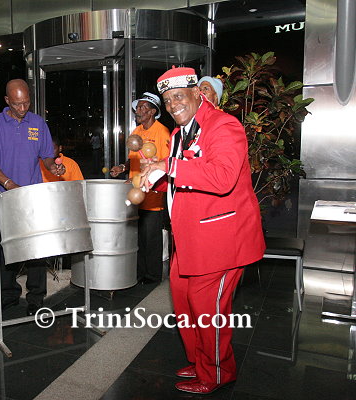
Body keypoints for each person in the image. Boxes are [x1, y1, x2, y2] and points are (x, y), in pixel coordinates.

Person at [140, 67, 265, 394]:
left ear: (197, 93)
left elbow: (222, 177)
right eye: (168, 100)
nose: (172, 105)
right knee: (184, 300)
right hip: (189, 237)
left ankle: (218, 373)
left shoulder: (224, 125)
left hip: (221, 239)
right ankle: (201, 361)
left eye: (178, 96)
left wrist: (168, 166)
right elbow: (182, 176)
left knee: (208, 308)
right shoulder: (180, 133)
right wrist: (157, 177)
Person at [0, 78, 65, 316]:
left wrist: (52, 166)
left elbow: (46, 156)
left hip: (32, 196)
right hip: (4, 195)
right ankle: (8, 295)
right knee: (5, 248)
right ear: (7, 100)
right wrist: (8, 183)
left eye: (26, 103)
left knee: (35, 249)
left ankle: (36, 298)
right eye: (17, 103)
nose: (22, 108)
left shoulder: (37, 123)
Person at [110, 92, 170, 285]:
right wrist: (123, 167)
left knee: (151, 236)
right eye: (138, 107)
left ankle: (152, 275)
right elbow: (133, 159)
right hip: (135, 190)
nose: (139, 110)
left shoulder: (162, 132)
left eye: (143, 107)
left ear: (153, 111)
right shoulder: (136, 131)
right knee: (138, 236)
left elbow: (165, 163)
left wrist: (149, 176)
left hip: (152, 192)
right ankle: (139, 272)